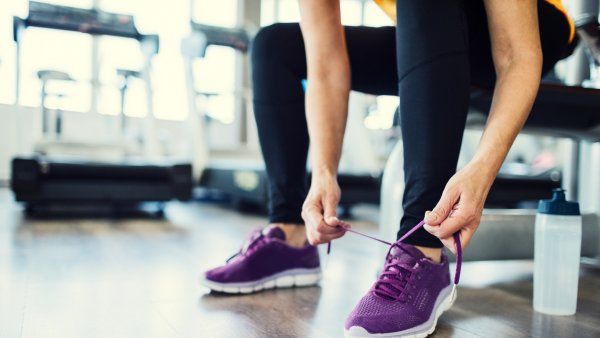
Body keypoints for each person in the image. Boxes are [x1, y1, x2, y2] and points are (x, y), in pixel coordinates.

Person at [203, 0, 576, 336]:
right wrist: (323, 174)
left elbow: (517, 55)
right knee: (275, 46)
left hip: (530, 32)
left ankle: (422, 250)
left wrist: (480, 171)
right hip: (431, 29)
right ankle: (290, 235)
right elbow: (327, 67)